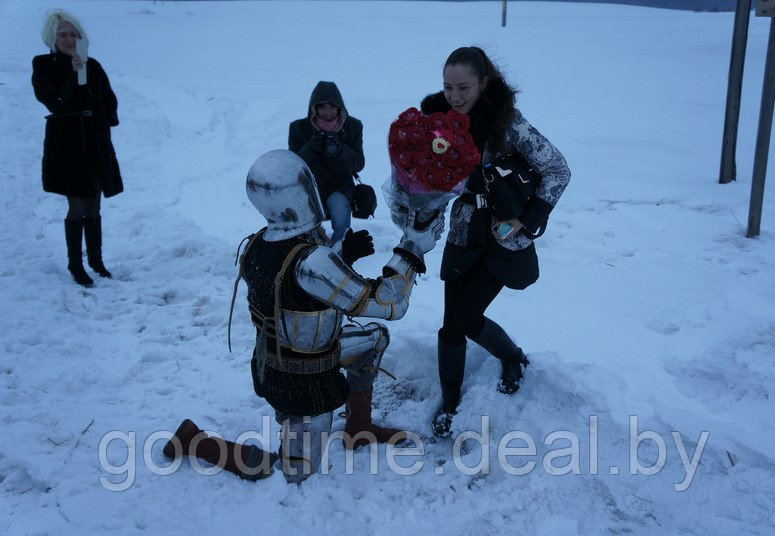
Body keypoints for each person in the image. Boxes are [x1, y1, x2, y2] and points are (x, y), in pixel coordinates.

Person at [164, 150, 444, 483]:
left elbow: (297, 290)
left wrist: (341, 256)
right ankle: (196, 443)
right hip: (302, 381)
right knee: (293, 471)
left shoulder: (259, 242)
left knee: (373, 340)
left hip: (282, 355)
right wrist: (411, 248)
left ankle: (358, 428)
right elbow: (390, 303)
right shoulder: (312, 260)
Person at [421, 47, 571, 438]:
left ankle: (513, 358)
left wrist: (526, 219)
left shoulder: (508, 125)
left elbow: (558, 169)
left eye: (463, 87)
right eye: (447, 87)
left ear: (484, 82)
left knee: (468, 317)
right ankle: (450, 400)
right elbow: (436, 178)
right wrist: (418, 202)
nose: (454, 96)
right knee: (451, 324)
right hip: (464, 231)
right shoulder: (440, 124)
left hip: (503, 238)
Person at [32, 9, 123, 287]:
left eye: (74, 34)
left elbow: (109, 101)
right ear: (53, 37)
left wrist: (100, 117)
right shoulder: (43, 64)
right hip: (66, 144)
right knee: (78, 205)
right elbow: (55, 102)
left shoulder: (91, 65)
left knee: (94, 203)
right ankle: (76, 264)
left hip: (94, 141)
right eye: (63, 34)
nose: (70, 39)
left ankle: (96, 260)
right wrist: (73, 75)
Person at [288, 81, 364, 244]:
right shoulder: (299, 128)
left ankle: (340, 252)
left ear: (339, 107)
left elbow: (359, 163)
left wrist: (339, 149)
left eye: (332, 106)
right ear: (314, 108)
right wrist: (310, 147)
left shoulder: (352, 127)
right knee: (305, 220)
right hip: (308, 187)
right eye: (323, 107)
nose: (328, 112)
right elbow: (292, 165)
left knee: (340, 211)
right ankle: (308, 249)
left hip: (340, 186)